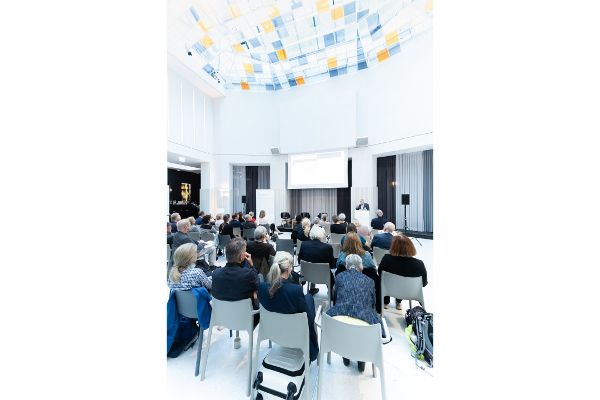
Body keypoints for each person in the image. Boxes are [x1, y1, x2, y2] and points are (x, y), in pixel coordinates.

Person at [258, 251, 319, 362]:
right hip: (295, 334)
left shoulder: (261, 287)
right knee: (309, 298)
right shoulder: (295, 291)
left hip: (272, 331)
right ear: (289, 268)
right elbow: (308, 318)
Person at [327, 254, 382, 373]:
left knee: (345, 321)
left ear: (347, 266)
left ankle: (345, 354)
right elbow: (373, 303)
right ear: (361, 267)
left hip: (339, 319)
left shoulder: (340, 277)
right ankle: (361, 357)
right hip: (364, 322)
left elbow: (335, 299)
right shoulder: (370, 281)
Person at [211, 238, 260, 326]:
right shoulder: (249, 274)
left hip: (222, 317)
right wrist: (252, 266)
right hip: (246, 319)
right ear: (242, 256)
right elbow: (258, 285)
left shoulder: (215, 273)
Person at [377, 234, 428, 310]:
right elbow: (424, 283)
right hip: (410, 293)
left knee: (388, 280)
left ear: (393, 246)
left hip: (389, 290)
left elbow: (380, 274)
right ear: (411, 247)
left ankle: (386, 302)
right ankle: (398, 301)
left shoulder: (386, 259)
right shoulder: (419, 264)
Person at [298, 225, 335, 295]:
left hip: (306, 275)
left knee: (312, 263)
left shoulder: (304, 244)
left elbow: (299, 260)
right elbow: (331, 264)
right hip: (324, 276)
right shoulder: (328, 247)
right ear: (322, 235)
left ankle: (311, 289)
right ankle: (331, 294)